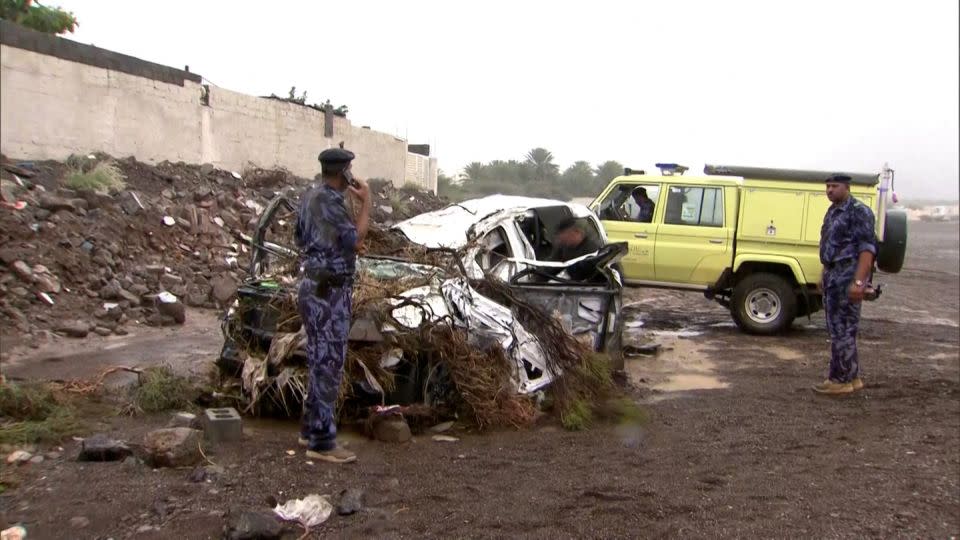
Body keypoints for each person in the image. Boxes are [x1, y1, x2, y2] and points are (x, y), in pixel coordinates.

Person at [294, 147, 371, 462]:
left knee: (317, 360)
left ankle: (310, 430)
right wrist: (367, 203)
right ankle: (323, 443)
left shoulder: (310, 198)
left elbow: (300, 238)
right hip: (330, 294)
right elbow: (356, 240)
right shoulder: (331, 202)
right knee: (329, 366)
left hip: (312, 287)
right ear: (345, 173)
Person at [814, 173, 876, 395]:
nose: (830, 190)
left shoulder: (859, 211)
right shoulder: (832, 212)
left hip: (848, 274)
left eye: (834, 186)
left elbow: (867, 248)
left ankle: (841, 380)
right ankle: (850, 376)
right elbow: (831, 247)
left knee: (844, 328)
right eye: (828, 186)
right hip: (833, 274)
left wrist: (859, 281)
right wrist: (824, 273)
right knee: (838, 328)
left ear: (846, 187)